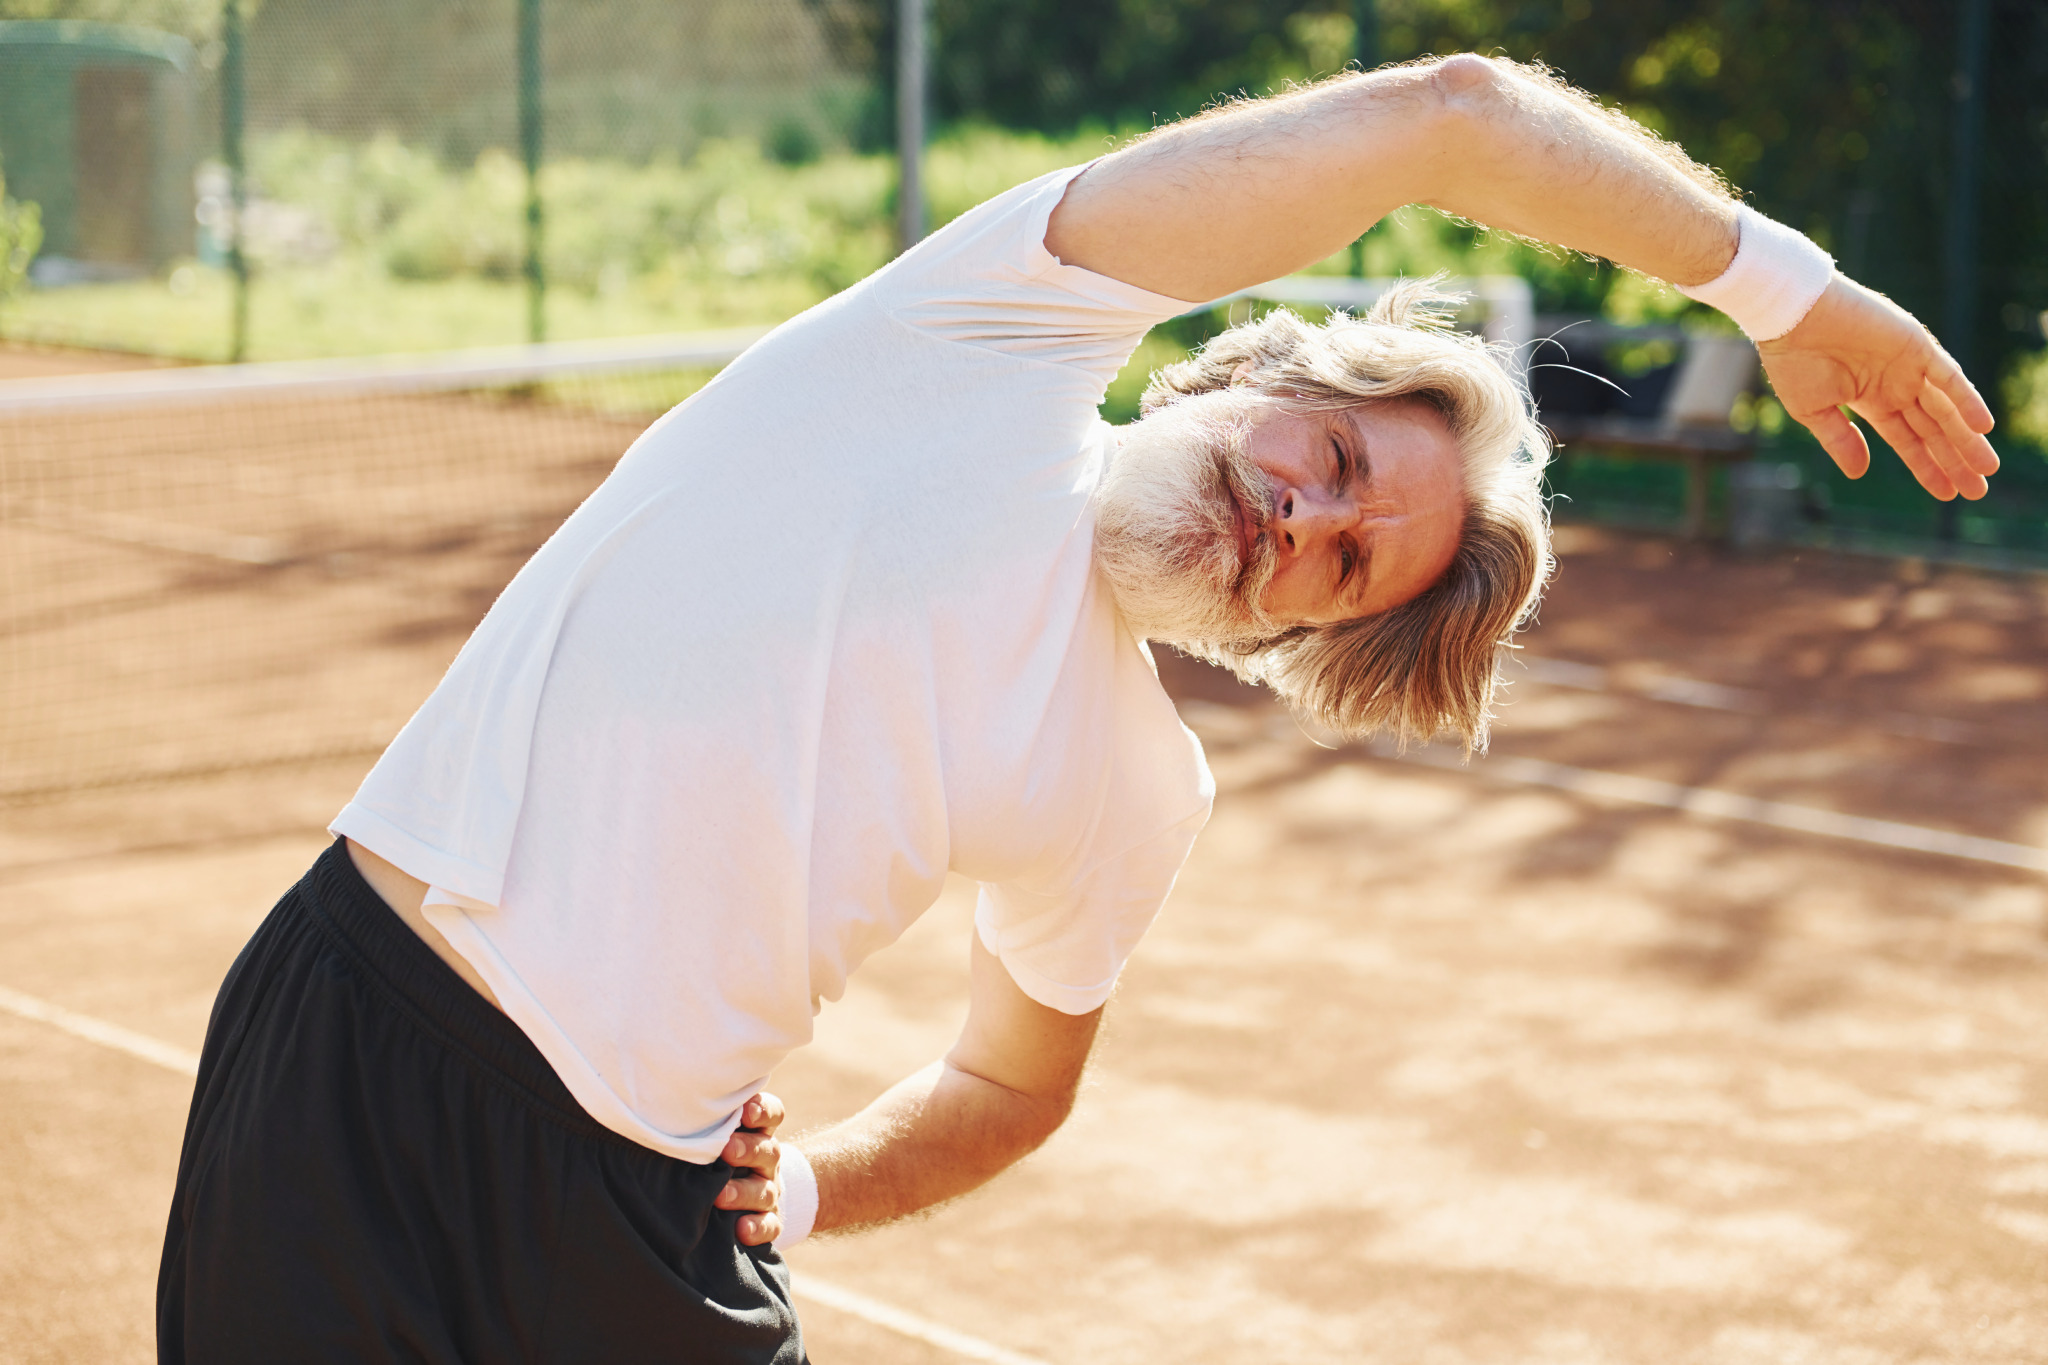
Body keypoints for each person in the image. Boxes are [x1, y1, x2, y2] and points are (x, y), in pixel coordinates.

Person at [158, 53, 1997, 1364]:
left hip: (637, 1219)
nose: (1312, 513)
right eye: (1338, 451)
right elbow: (1452, 118)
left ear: (1311, 641)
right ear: (1262, 370)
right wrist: (1776, 285)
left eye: (1355, 557)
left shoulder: (1138, 788)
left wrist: (800, 1201)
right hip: (355, 1062)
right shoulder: (976, 334)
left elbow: (1008, 1084)